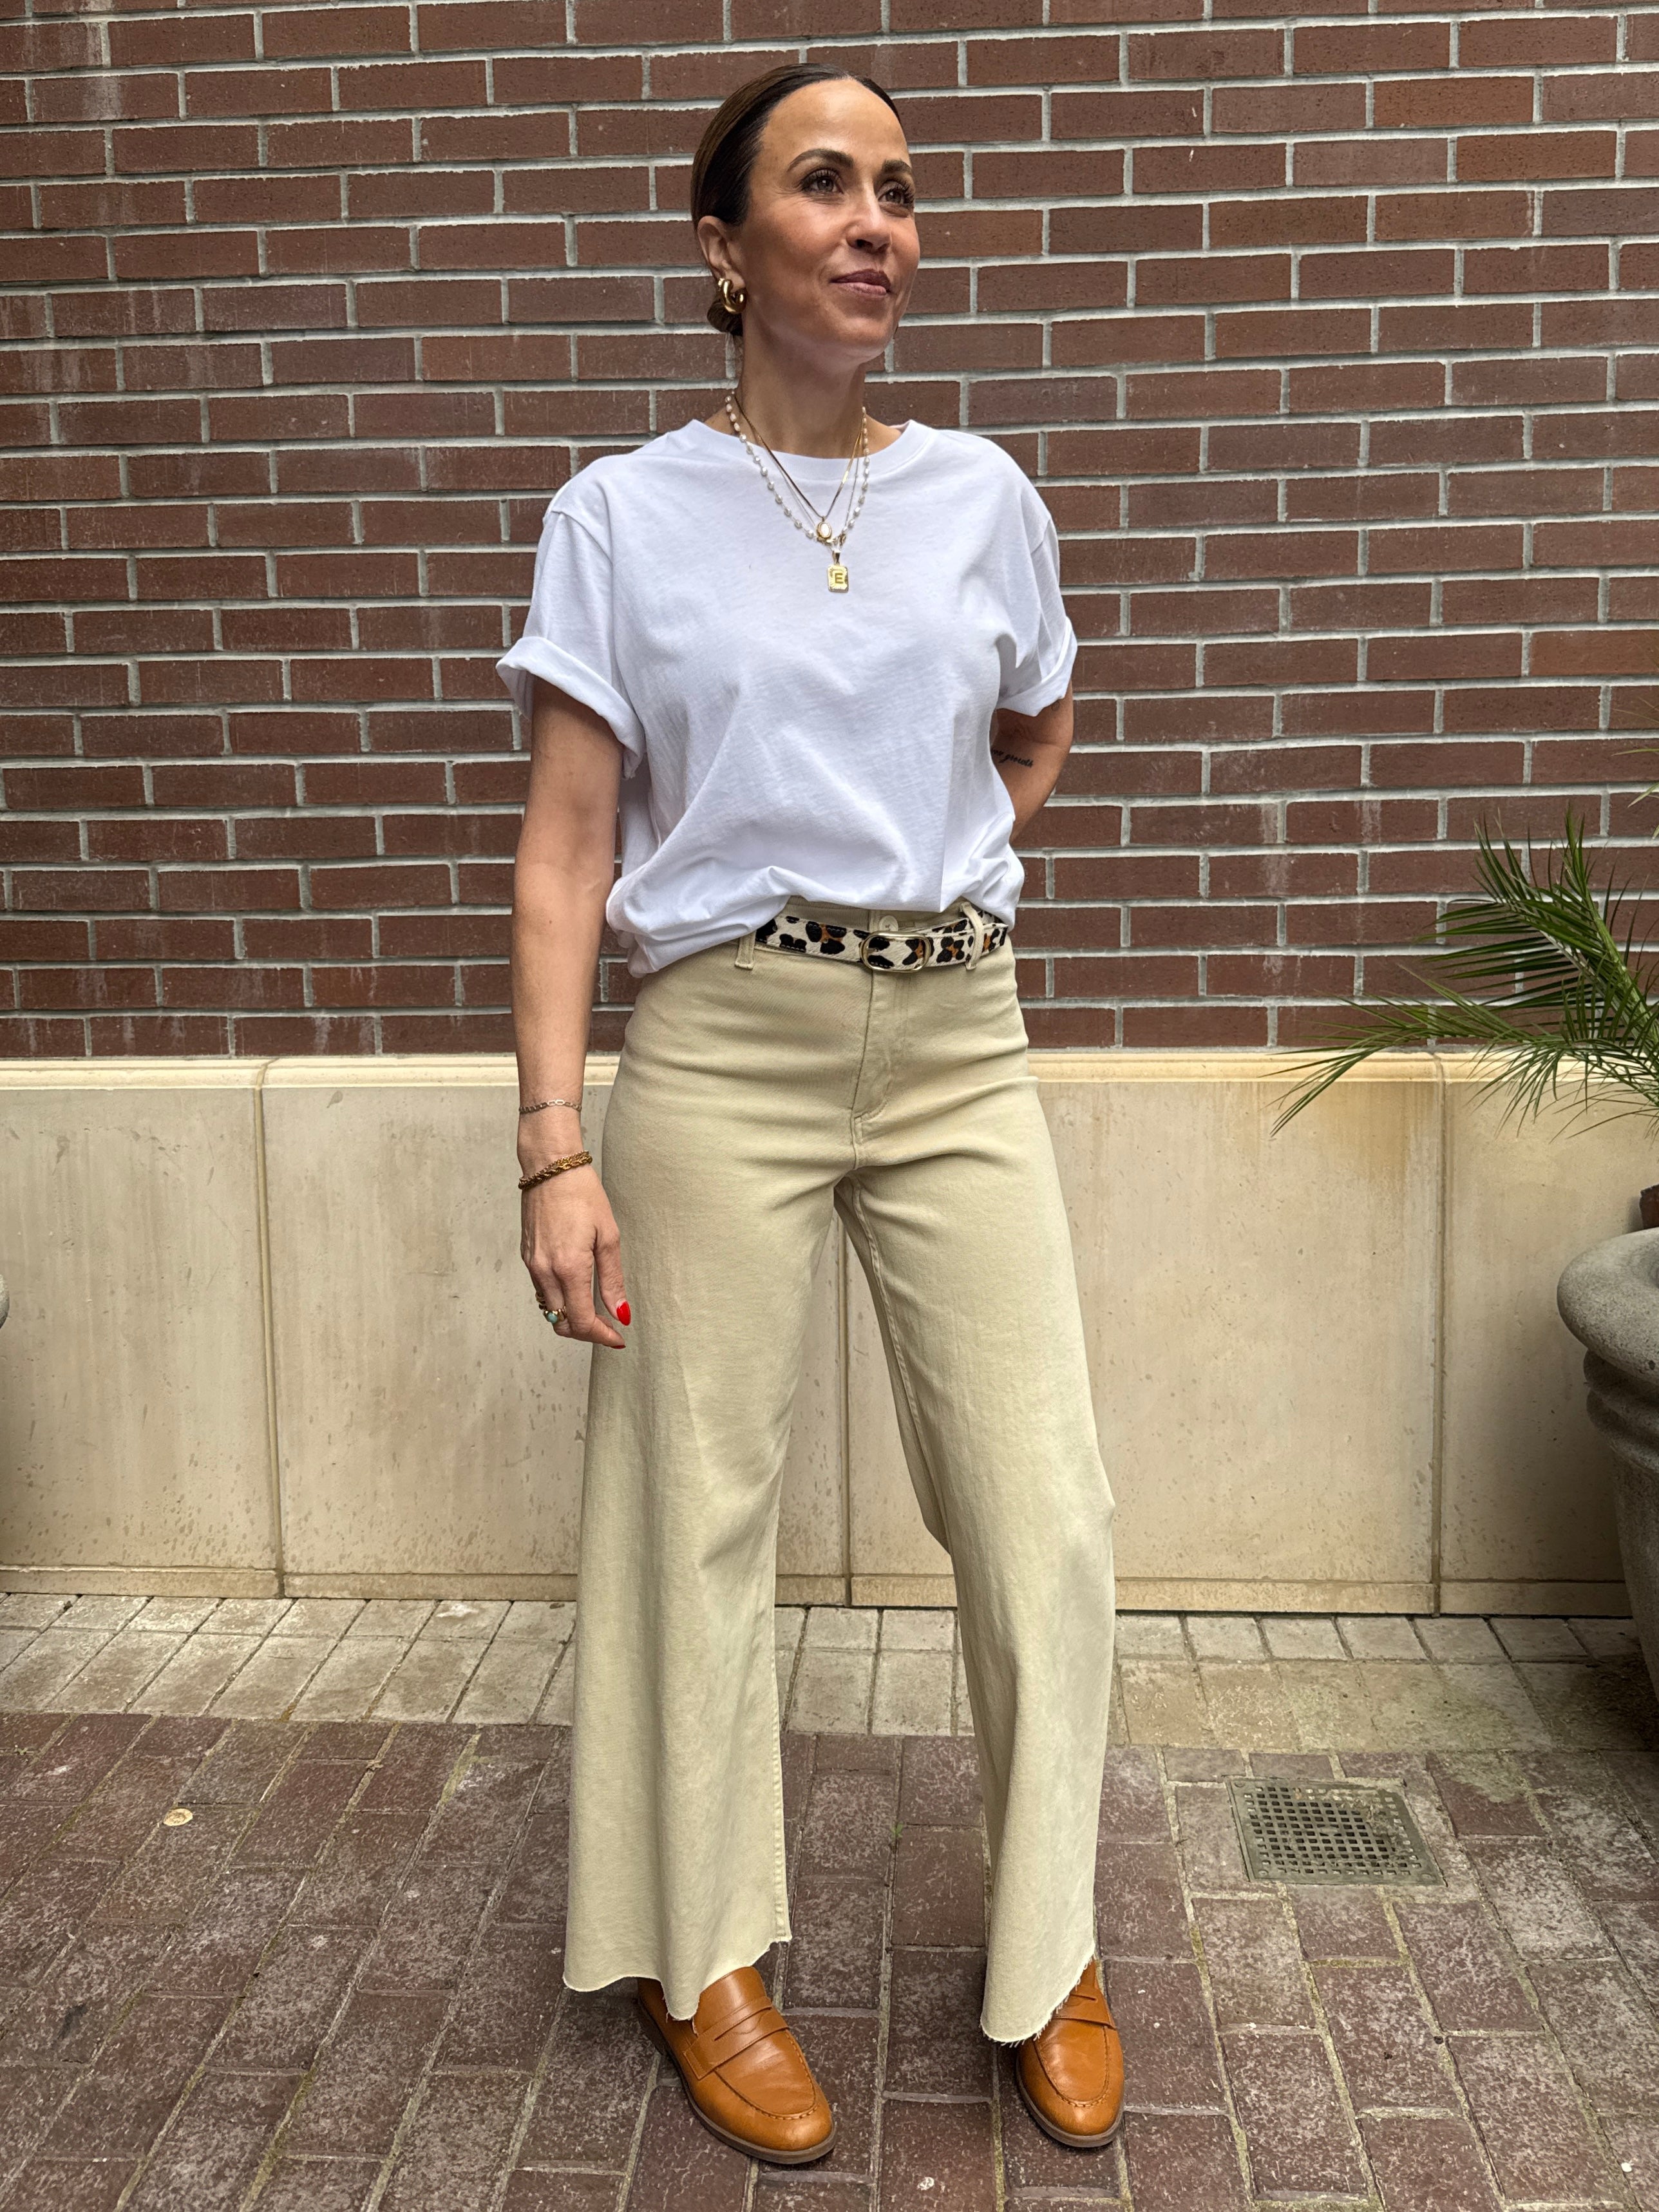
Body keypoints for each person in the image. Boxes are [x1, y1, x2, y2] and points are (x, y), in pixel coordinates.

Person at [497, 61, 1123, 2168]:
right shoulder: (620, 515)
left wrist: (933, 850)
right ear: (724, 248)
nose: (879, 223)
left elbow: (1032, 724)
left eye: (903, 193)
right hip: (726, 1056)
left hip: (957, 1039)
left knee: (1042, 1511)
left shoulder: (983, 495)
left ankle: (1051, 1942)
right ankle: (710, 1956)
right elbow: (568, 848)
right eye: (827, 184)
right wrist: (553, 1139)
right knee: (696, 1518)